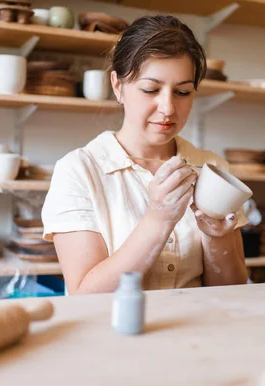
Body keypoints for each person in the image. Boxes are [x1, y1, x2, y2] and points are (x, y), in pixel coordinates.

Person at [42, 15, 248, 295]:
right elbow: (84, 294)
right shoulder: (79, 170)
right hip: (114, 333)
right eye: (151, 89)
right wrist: (158, 219)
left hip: (198, 331)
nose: (168, 108)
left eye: (183, 92)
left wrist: (218, 239)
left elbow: (233, 290)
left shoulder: (211, 168)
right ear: (118, 86)